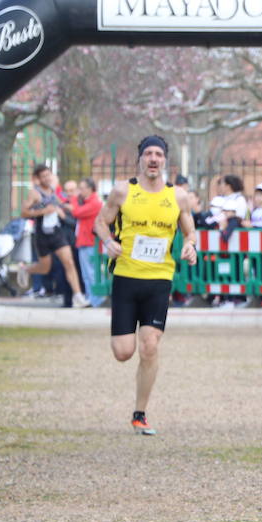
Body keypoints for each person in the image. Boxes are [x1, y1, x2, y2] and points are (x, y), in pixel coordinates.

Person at [94, 136, 199, 436]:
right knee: (123, 352)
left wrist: (191, 247)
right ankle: (137, 401)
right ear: (140, 159)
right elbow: (101, 222)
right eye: (148, 154)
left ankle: (140, 413)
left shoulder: (178, 196)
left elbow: (190, 231)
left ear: (165, 160)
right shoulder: (122, 191)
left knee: (150, 346)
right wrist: (108, 241)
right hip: (126, 277)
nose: (153, 159)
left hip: (159, 280)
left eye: (159, 154)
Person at [23, 165, 90, 308]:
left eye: (49, 175)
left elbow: (60, 204)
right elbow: (24, 213)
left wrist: (67, 208)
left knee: (69, 263)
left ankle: (78, 297)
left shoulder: (54, 191)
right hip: (42, 235)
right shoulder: (35, 193)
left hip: (56, 233)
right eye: (44, 176)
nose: (47, 178)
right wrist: (42, 212)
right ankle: (25, 270)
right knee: (44, 268)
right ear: (38, 179)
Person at [71, 178, 106, 308]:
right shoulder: (88, 202)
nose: (80, 191)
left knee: (92, 272)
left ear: (90, 189)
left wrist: (74, 199)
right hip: (84, 241)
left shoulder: (94, 203)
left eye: (82, 188)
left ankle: (98, 299)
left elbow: (76, 212)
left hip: (90, 242)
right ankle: (92, 298)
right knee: (87, 273)